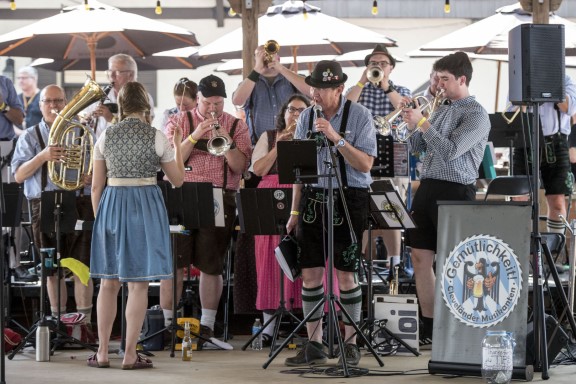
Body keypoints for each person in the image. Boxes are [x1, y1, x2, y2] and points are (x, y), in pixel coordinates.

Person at [284, 61, 376, 367]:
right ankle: (315, 343)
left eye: (322, 88)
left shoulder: (360, 115)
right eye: (313, 87)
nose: (315, 93)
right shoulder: (306, 117)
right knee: (310, 272)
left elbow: (365, 165)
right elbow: (298, 168)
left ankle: (350, 344)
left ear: (339, 89)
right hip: (313, 196)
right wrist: (295, 209)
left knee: (346, 274)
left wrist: (336, 137)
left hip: (350, 197)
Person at [88, 81, 184, 369]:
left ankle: (103, 351)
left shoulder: (105, 136)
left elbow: (95, 187)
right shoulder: (157, 136)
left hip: (112, 203)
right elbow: (177, 180)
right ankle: (130, 354)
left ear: (121, 105)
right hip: (145, 204)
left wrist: (101, 220)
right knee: (139, 284)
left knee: (108, 282)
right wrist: (178, 145)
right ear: (146, 106)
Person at [401, 52, 490, 347]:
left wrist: (424, 122)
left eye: (444, 79)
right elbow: (416, 148)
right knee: (419, 257)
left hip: (456, 189)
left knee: (454, 261)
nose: (436, 85)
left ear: (461, 79)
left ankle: (457, 324)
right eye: (434, 77)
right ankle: (429, 326)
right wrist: (411, 122)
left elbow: (452, 151)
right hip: (427, 186)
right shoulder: (439, 108)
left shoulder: (476, 113)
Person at [164, 74, 252, 350]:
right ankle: (168, 325)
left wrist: (226, 141)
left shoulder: (236, 124)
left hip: (219, 196)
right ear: (197, 99)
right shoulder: (177, 120)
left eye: (217, 102)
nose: (213, 108)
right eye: (207, 102)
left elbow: (239, 167)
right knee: (174, 265)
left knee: (211, 265)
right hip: (182, 194)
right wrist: (196, 134)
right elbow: (170, 159)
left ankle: (207, 325)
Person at [11, 84, 94, 322]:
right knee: (52, 271)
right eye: (48, 101)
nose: (54, 106)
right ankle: (59, 324)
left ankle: (82, 326)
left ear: (67, 103)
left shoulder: (83, 132)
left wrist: (92, 176)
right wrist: (43, 156)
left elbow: (100, 167)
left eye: (58, 101)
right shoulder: (30, 136)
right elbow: (18, 175)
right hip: (44, 204)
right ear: (40, 105)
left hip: (80, 201)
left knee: (82, 269)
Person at [251, 94, 310, 346]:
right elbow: (258, 169)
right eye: (291, 110)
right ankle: (268, 329)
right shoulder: (269, 136)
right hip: (271, 199)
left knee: (308, 257)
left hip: (302, 197)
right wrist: (280, 144)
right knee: (269, 258)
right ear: (283, 113)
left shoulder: (312, 136)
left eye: (301, 111)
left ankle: (311, 326)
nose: (295, 115)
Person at [346, 44, 411, 269]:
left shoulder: (401, 90)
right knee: (361, 212)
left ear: (391, 67)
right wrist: (362, 81)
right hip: (362, 157)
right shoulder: (359, 90)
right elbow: (345, 107)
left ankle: (394, 265)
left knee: (392, 212)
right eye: (373, 64)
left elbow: (405, 111)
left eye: (383, 63)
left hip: (393, 157)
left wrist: (386, 87)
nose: (378, 66)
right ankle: (358, 263)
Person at [512, 75, 576, 234]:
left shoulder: (564, 79)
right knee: (519, 199)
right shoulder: (520, 77)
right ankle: (521, 247)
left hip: (556, 143)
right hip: (525, 141)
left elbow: (570, 108)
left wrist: (546, 86)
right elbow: (510, 114)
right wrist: (527, 94)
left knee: (558, 202)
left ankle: (553, 252)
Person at [232, 43, 310, 145]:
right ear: (255, 60)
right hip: (260, 144)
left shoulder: (291, 79)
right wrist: (256, 69)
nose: (265, 57)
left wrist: (281, 68)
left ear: (278, 57)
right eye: (260, 55)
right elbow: (237, 101)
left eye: (269, 53)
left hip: (294, 142)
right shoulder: (250, 83)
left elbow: (312, 91)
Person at [1, 74, 33, 281]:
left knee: (11, 209)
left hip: (4, 148)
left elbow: (20, 118)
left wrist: (3, 106)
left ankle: (15, 264)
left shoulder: (5, 82)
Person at [84, 53, 154, 140]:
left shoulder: (144, 98)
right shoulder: (100, 94)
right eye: (110, 71)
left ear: (131, 75)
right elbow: (86, 120)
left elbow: (143, 131)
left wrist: (111, 119)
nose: (112, 76)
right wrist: (88, 119)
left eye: (117, 72)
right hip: (98, 147)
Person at [15, 66, 42, 134]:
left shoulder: (44, 98)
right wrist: (20, 132)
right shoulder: (15, 98)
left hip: (39, 140)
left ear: (34, 78)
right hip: (18, 141)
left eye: (24, 78)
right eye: (19, 78)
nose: (20, 81)